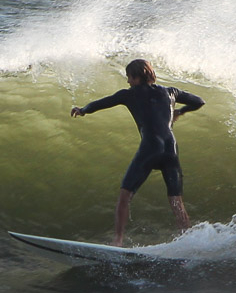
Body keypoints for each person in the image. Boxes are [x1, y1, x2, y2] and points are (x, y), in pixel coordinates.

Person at [70, 58, 205, 245]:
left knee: (125, 197)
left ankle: (118, 241)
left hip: (150, 148)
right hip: (171, 149)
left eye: (129, 77)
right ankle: (187, 240)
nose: (127, 81)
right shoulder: (170, 92)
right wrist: (180, 112)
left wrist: (83, 110)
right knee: (176, 201)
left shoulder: (129, 94)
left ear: (136, 77)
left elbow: (103, 103)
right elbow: (199, 101)